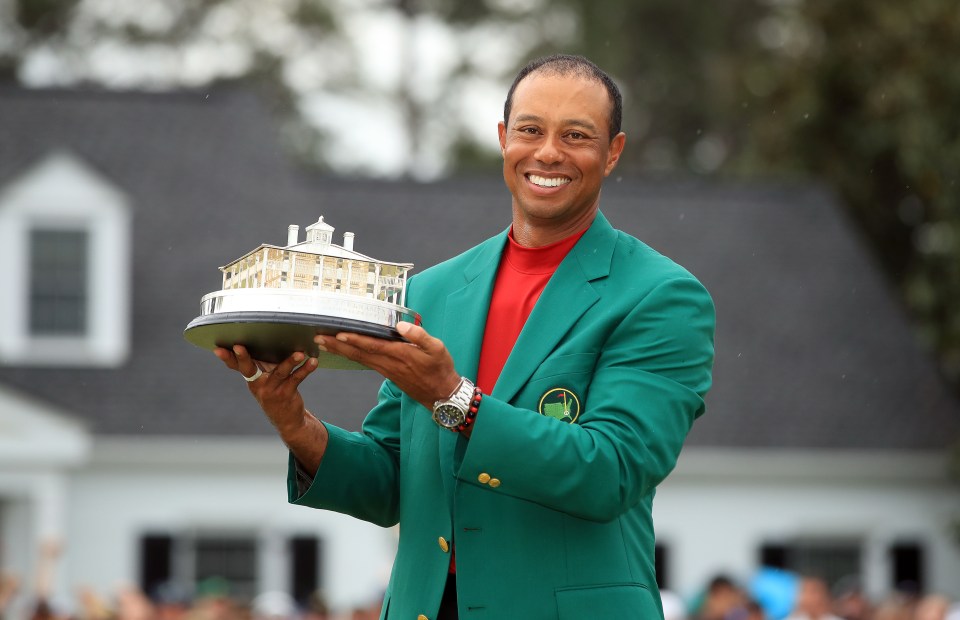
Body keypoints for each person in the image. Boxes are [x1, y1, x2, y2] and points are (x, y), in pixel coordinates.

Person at [215, 54, 715, 619]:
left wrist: (454, 399)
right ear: (504, 139)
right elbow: (391, 483)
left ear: (613, 152)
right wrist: (293, 422)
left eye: (576, 135)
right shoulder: (432, 291)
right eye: (530, 130)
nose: (548, 152)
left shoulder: (661, 296)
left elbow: (610, 472)